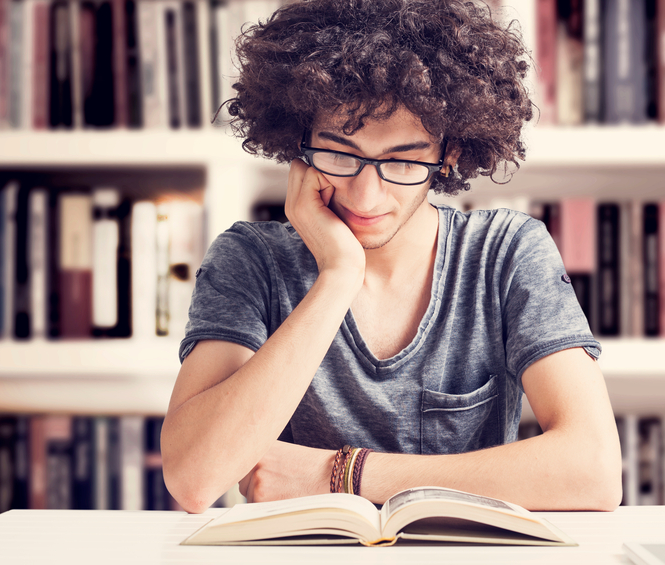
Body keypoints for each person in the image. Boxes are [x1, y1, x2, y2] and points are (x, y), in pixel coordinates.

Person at [161, 0, 622, 514]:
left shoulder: (506, 253)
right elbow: (193, 479)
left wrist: (340, 474)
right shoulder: (251, 260)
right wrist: (338, 276)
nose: (366, 197)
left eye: (402, 160)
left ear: (447, 153)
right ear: (300, 140)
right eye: (339, 153)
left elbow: (594, 471)